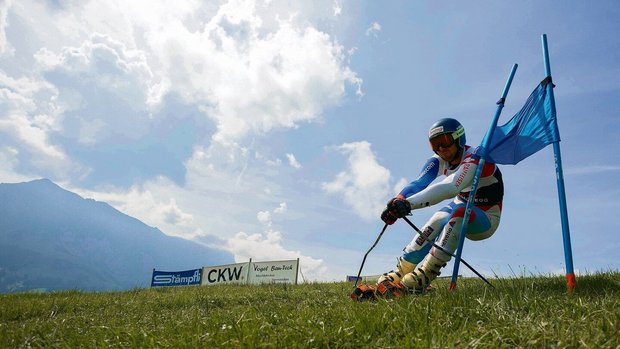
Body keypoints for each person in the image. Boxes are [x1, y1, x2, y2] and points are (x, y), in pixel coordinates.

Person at [378, 117, 504, 293]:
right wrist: (398, 201)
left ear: (459, 139)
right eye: (435, 144)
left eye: (444, 141)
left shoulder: (476, 158)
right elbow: (419, 183)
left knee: (460, 211)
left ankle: (425, 274)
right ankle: (400, 272)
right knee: (439, 217)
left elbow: (452, 187)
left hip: (486, 217)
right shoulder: (437, 160)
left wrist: (408, 205)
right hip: (460, 206)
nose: (441, 149)